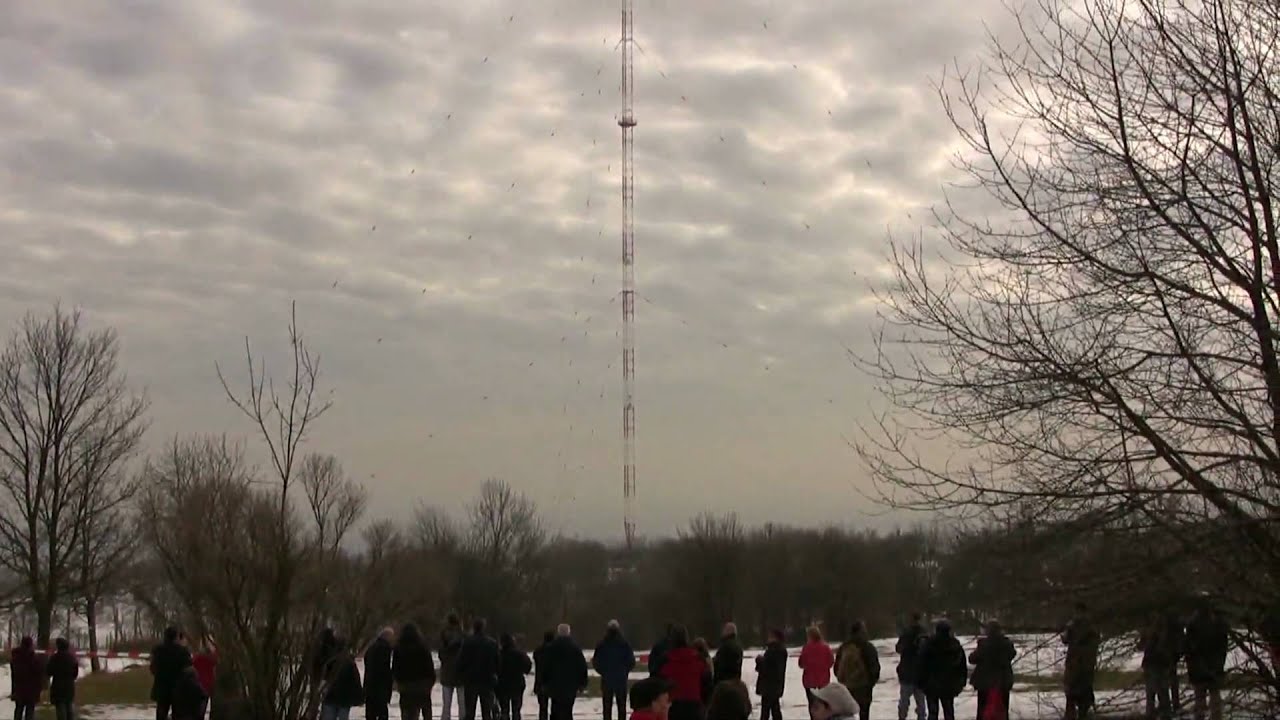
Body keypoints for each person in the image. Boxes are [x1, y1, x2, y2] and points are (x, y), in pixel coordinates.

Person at [1185, 599, 1229, 720]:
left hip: (1199, 666)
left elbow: (1189, 647)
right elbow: (1223, 646)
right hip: (1213, 665)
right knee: (1213, 696)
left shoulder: (1193, 623)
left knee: (1201, 697)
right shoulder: (1218, 623)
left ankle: (1202, 717)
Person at [917, 619, 966, 720]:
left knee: (933, 713)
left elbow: (921, 665)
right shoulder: (954, 645)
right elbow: (961, 666)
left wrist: (921, 682)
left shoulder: (928, 644)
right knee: (949, 712)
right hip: (949, 684)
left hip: (931, 685)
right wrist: (960, 683)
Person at [660, 626, 712, 720]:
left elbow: (659, 682)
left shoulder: (665, 660)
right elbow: (707, 683)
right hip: (695, 706)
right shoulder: (698, 658)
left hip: (674, 707)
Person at [968, 620, 1016, 720]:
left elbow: (972, 659)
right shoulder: (1007, 644)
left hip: (985, 683)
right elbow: (1012, 654)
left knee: (983, 710)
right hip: (1003, 681)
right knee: (1002, 709)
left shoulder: (984, 645)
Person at [835, 621, 880, 720]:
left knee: (848, 714)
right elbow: (874, 667)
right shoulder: (867, 647)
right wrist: (871, 682)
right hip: (864, 686)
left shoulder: (844, 647)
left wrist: (843, 680)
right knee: (864, 713)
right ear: (861, 631)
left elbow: (836, 668)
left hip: (847, 686)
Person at [593, 620, 637, 720]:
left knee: (607, 707)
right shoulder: (624, 644)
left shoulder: (602, 644)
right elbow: (631, 662)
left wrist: (603, 672)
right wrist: (625, 672)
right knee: (622, 707)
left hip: (607, 679)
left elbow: (596, 661)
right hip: (621, 679)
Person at [458, 619, 501, 720]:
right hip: (487, 680)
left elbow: (461, 661)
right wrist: (496, 675)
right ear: (483, 628)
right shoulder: (492, 643)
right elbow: (498, 662)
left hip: (470, 680)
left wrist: (460, 676)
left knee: (469, 712)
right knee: (486, 712)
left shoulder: (467, 642)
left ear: (474, 628)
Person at [543, 624, 588, 720]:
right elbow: (582, 667)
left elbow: (545, 667)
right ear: (569, 633)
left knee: (555, 710)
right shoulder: (575, 648)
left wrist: (544, 682)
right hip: (571, 685)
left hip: (554, 685)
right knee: (568, 710)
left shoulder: (550, 648)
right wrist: (582, 683)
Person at [1062, 604, 1100, 720]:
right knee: (1079, 694)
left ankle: (1078, 714)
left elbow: (1066, 640)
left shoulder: (1081, 627)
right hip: (1080, 666)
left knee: (1075, 693)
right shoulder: (1087, 627)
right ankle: (1079, 713)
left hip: (1080, 666)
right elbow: (1065, 640)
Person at [394, 622, 438, 720]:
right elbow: (429, 668)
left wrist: (399, 682)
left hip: (406, 687)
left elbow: (395, 669)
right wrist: (430, 682)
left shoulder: (399, 648)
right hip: (422, 686)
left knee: (407, 713)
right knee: (426, 712)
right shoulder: (423, 647)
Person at [152, 627, 194, 720]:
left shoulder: (158, 650)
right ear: (176, 637)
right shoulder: (182, 651)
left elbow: (153, 668)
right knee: (178, 714)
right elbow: (188, 669)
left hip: (162, 686)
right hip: (178, 687)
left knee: (161, 713)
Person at [321, 638, 365, 720]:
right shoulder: (349, 663)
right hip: (344, 698)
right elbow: (356, 681)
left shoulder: (330, 662)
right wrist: (360, 697)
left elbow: (324, 679)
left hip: (330, 697)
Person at [895, 614, 928, 720]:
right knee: (920, 703)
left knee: (905, 702)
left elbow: (899, 648)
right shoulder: (924, 634)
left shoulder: (906, 633)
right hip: (919, 674)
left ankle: (902, 717)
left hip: (908, 673)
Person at [498, 633, 534, 720]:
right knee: (516, 709)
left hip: (502, 685)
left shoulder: (499, 654)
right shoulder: (520, 654)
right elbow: (527, 667)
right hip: (517, 684)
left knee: (504, 710)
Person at [754, 629, 787, 720]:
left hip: (769, 685)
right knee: (774, 709)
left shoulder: (774, 651)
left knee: (766, 711)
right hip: (774, 685)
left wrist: (760, 661)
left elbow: (769, 668)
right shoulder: (777, 650)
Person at [800, 626, 836, 709]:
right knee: (823, 703)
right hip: (823, 680)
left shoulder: (806, 648)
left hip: (809, 680)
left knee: (812, 704)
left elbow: (801, 663)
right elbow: (831, 661)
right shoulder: (825, 647)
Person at [365, 628, 396, 720]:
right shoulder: (385, 648)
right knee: (382, 712)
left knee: (371, 713)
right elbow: (386, 668)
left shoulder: (371, 647)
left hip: (370, 684)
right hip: (381, 686)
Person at [10, 636, 44, 720]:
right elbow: (39, 674)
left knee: (18, 710)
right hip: (31, 690)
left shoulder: (15, 657)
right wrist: (40, 688)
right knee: (29, 711)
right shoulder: (34, 658)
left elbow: (14, 672)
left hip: (18, 688)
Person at [441, 614, 467, 720]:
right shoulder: (463, 636)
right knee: (462, 704)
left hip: (447, 673)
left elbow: (441, 655)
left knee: (446, 705)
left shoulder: (444, 635)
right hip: (461, 674)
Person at [47, 637, 79, 720]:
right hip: (69, 685)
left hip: (58, 685)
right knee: (69, 706)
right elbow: (75, 673)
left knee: (60, 708)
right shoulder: (72, 658)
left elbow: (48, 671)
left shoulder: (54, 658)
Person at [192, 640, 218, 720]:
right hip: (207, 686)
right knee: (203, 708)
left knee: (196, 708)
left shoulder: (196, 658)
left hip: (197, 685)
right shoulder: (211, 659)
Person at [533, 631, 556, 720]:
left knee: (542, 708)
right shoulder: (556, 650)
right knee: (555, 708)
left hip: (540, 682)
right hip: (554, 683)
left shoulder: (538, 651)